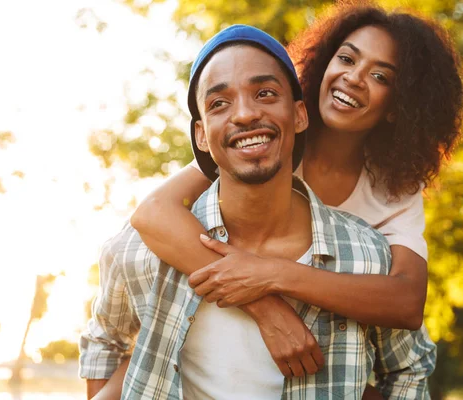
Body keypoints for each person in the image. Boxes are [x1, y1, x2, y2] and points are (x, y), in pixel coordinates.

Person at [80, 25, 436, 399]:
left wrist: (270, 274)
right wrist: (266, 306)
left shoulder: (378, 230)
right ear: (200, 135)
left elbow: (407, 311)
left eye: (265, 94)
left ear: (299, 115)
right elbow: (150, 215)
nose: (246, 114)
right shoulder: (148, 246)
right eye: (347, 58)